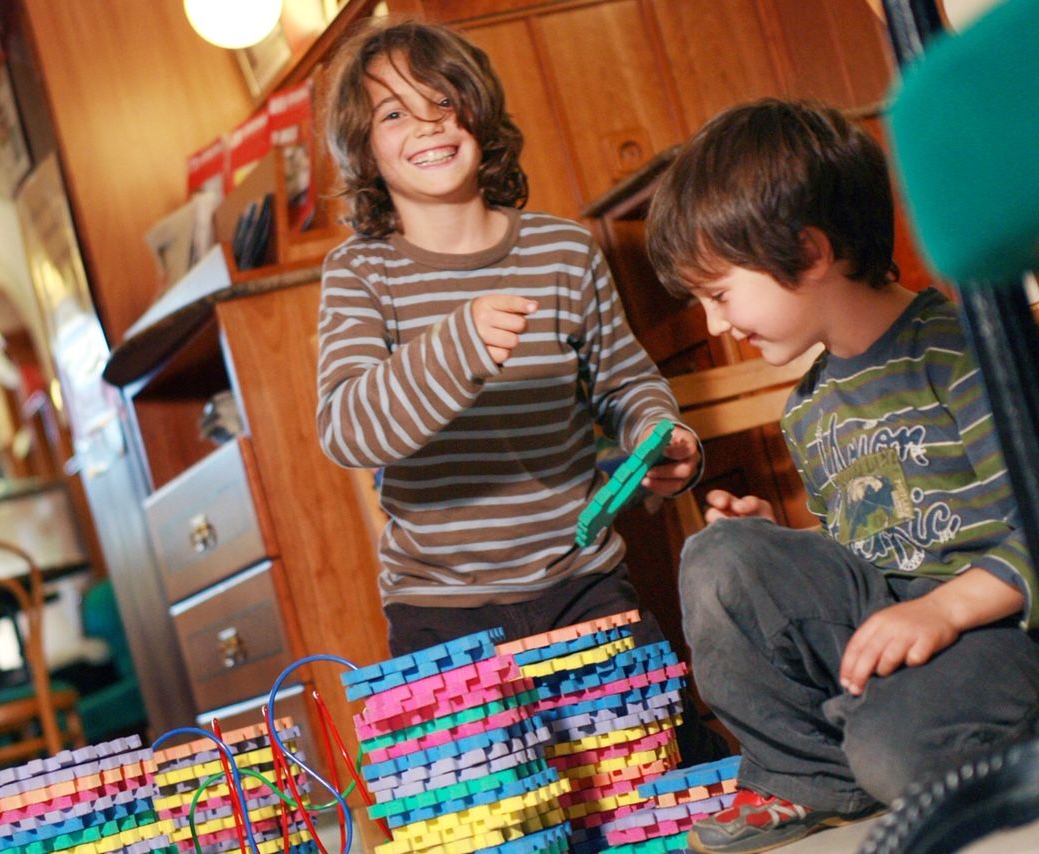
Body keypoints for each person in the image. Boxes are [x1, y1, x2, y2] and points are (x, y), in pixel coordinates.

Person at [314, 18, 728, 762]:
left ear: (479, 113)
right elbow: (347, 429)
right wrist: (456, 347)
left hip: (580, 584)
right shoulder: (360, 273)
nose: (428, 124)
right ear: (364, 148)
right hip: (439, 611)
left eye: (444, 101)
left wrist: (660, 436)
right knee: (493, 808)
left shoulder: (562, 251)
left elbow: (626, 381)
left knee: (655, 779)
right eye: (394, 112)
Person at [645, 97, 1039, 853]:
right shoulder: (807, 408)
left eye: (719, 294)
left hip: (993, 630)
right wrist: (778, 549)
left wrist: (945, 610)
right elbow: (865, 555)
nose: (715, 323)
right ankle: (808, 778)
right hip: (888, 633)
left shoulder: (962, 356)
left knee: (898, 753)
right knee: (720, 556)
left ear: (810, 251)